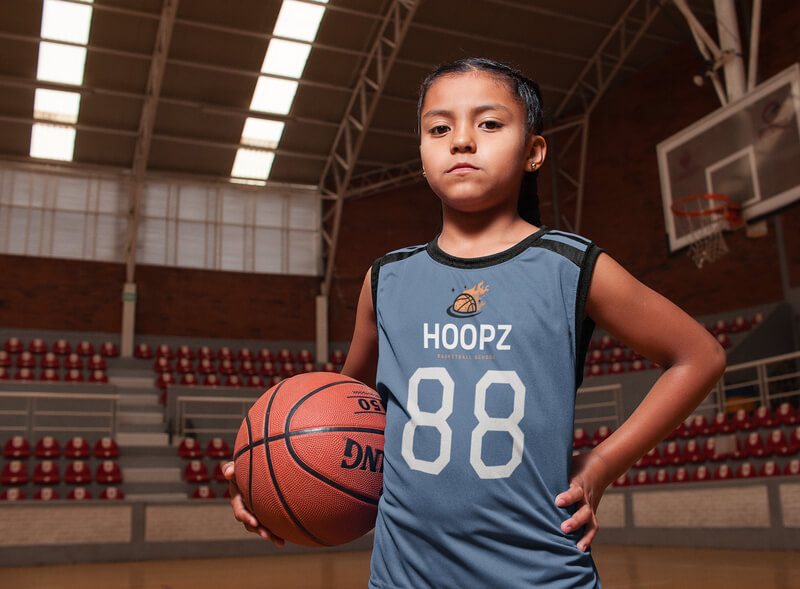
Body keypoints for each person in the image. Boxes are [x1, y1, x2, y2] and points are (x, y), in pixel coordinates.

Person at [224, 57, 726, 588]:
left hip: (541, 573)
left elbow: (699, 357)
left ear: (533, 152)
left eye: (488, 123)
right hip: (404, 577)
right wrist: (267, 479)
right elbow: (342, 413)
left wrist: (601, 465)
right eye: (439, 129)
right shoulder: (386, 279)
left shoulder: (569, 266)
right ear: (422, 154)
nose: (461, 141)